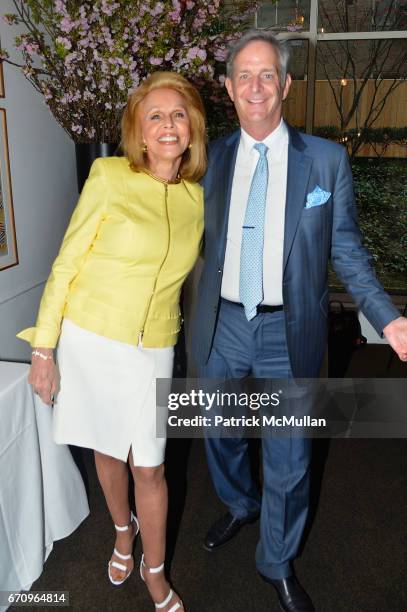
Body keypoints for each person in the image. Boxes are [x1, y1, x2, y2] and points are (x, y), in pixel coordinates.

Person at [191, 30, 407, 612]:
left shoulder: (326, 160)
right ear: (228, 88)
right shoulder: (208, 159)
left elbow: (348, 251)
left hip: (292, 332)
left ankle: (275, 561)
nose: (256, 87)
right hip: (221, 325)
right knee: (220, 433)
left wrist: (387, 319)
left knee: (291, 457)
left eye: (268, 75)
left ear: (286, 85)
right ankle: (240, 505)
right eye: (244, 76)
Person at [17, 71, 206, 612]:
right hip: (93, 338)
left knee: (150, 464)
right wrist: (44, 349)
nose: (168, 125)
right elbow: (67, 262)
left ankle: (154, 568)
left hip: (156, 347)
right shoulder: (109, 175)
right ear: (139, 133)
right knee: (106, 449)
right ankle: (122, 532)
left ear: (191, 130)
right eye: (156, 116)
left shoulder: (196, 197)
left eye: (178, 115)